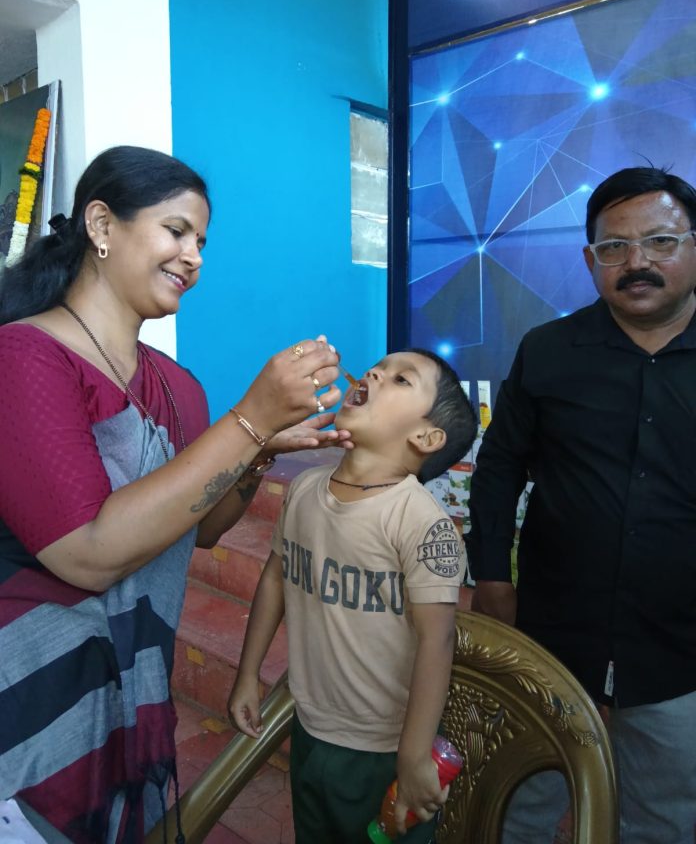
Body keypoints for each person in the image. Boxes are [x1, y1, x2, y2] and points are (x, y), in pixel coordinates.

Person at [0, 145, 353, 844]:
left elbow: (205, 525)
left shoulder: (177, 386)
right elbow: (86, 552)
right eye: (176, 231)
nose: (193, 257)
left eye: (202, 242)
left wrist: (255, 452)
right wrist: (248, 420)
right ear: (102, 225)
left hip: (136, 693)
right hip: (32, 694)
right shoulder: (24, 357)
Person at [467, 166, 696, 844]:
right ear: (590, 261)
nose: (637, 262)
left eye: (660, 241)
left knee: (662, 821)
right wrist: (492, 576)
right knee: (517, 806)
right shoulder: (548, 351)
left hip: (679, 649)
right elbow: (499, 466)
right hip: (551, 635)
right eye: (614, 247)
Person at [228, 348, 477, 844]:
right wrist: (247, 675)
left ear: (426, 438)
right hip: (310, 728)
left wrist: (414, 755)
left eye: (401, 379)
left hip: (384, 748)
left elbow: (438, 640)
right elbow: (275, 579)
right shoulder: (304, 489)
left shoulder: (420, 522)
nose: (375, 373)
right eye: (378, 368)